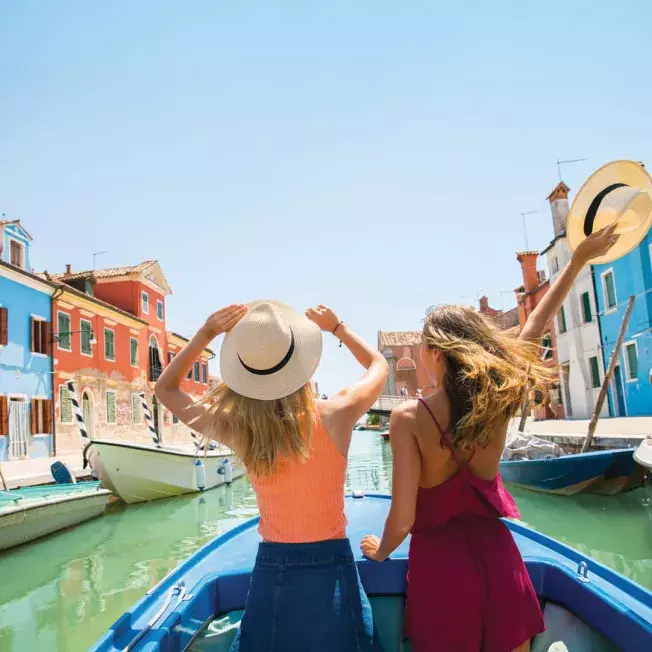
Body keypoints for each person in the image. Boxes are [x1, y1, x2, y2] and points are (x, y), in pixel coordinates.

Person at [360, 224, 619, 652]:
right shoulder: (496, 401)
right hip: (501, 566)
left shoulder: (408, 418)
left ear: (438, 352)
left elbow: (403, 519)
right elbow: (535, 324)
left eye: (424, 346)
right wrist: (576, 261)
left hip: (440, 576)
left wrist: (381, 551)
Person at [155, 301, 388, 652]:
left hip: (273, 567)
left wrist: (206, 333)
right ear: (301, 362)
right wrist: (337, 327)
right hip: (334, 568)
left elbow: (166, 390)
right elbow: (379, 364)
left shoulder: (239, 429)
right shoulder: (337, 413)